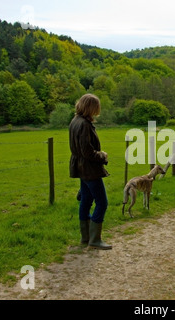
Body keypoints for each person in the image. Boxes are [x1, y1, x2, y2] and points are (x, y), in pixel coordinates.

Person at [69, 93, 112, 250]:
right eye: (96, 108)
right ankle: (95, 239)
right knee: (102, 202)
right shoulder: (84, 124)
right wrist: (102, 155)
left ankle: (86, 237)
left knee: (86, 200)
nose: (97, 111)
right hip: (89, 168)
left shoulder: (75, 121)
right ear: (91, 107)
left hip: (80, 167)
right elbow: (87, 151)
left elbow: (80, 150)